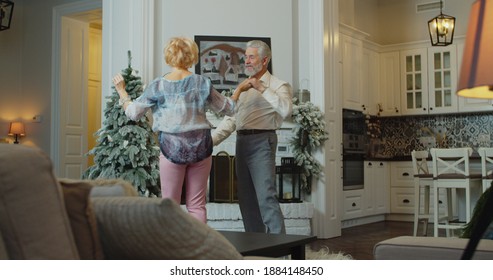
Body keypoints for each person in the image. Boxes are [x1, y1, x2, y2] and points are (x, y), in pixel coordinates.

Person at [112, 37, 246, 223]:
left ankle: (172, 248)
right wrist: (238, 90)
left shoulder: (158, 85)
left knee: (170, 205)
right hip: (201, 149)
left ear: (169, 56)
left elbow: (133, 113)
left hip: (171, 150)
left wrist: (122, 92)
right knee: (197, 205)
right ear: (192, 56)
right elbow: (229, 109)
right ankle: (198, 248)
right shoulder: (202, 83)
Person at [212, 40, 293, 234]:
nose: (246, 61)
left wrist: (262, 88)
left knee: (266, 197)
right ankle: (256, 247)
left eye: (251, 57)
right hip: (242, 142)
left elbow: (286, 110)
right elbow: (232, 120)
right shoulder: (242, 88)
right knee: (246, 199)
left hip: (262, 142)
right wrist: (210, 142)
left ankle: (279, 250)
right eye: (245, 57)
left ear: (264, 60)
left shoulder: (279, 85)